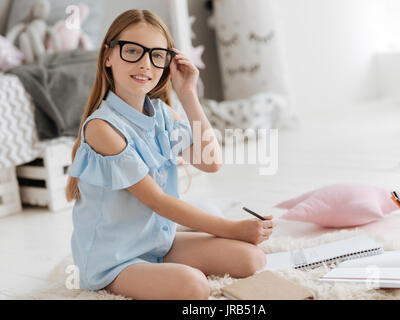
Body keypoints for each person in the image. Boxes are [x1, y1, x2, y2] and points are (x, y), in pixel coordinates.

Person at [65, 9, 276, 300]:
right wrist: (232, 229)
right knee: (194, 287)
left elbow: (211, 161)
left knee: (252, 259)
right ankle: (117, 282)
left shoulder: (162, 114)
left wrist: (188, 92)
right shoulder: (102, 129)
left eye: (157, 55)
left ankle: (161, 270)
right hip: (114, 260)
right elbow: (158, 201)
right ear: (108, 57)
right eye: (132, 51)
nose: (145, 64)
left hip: (157, 243)